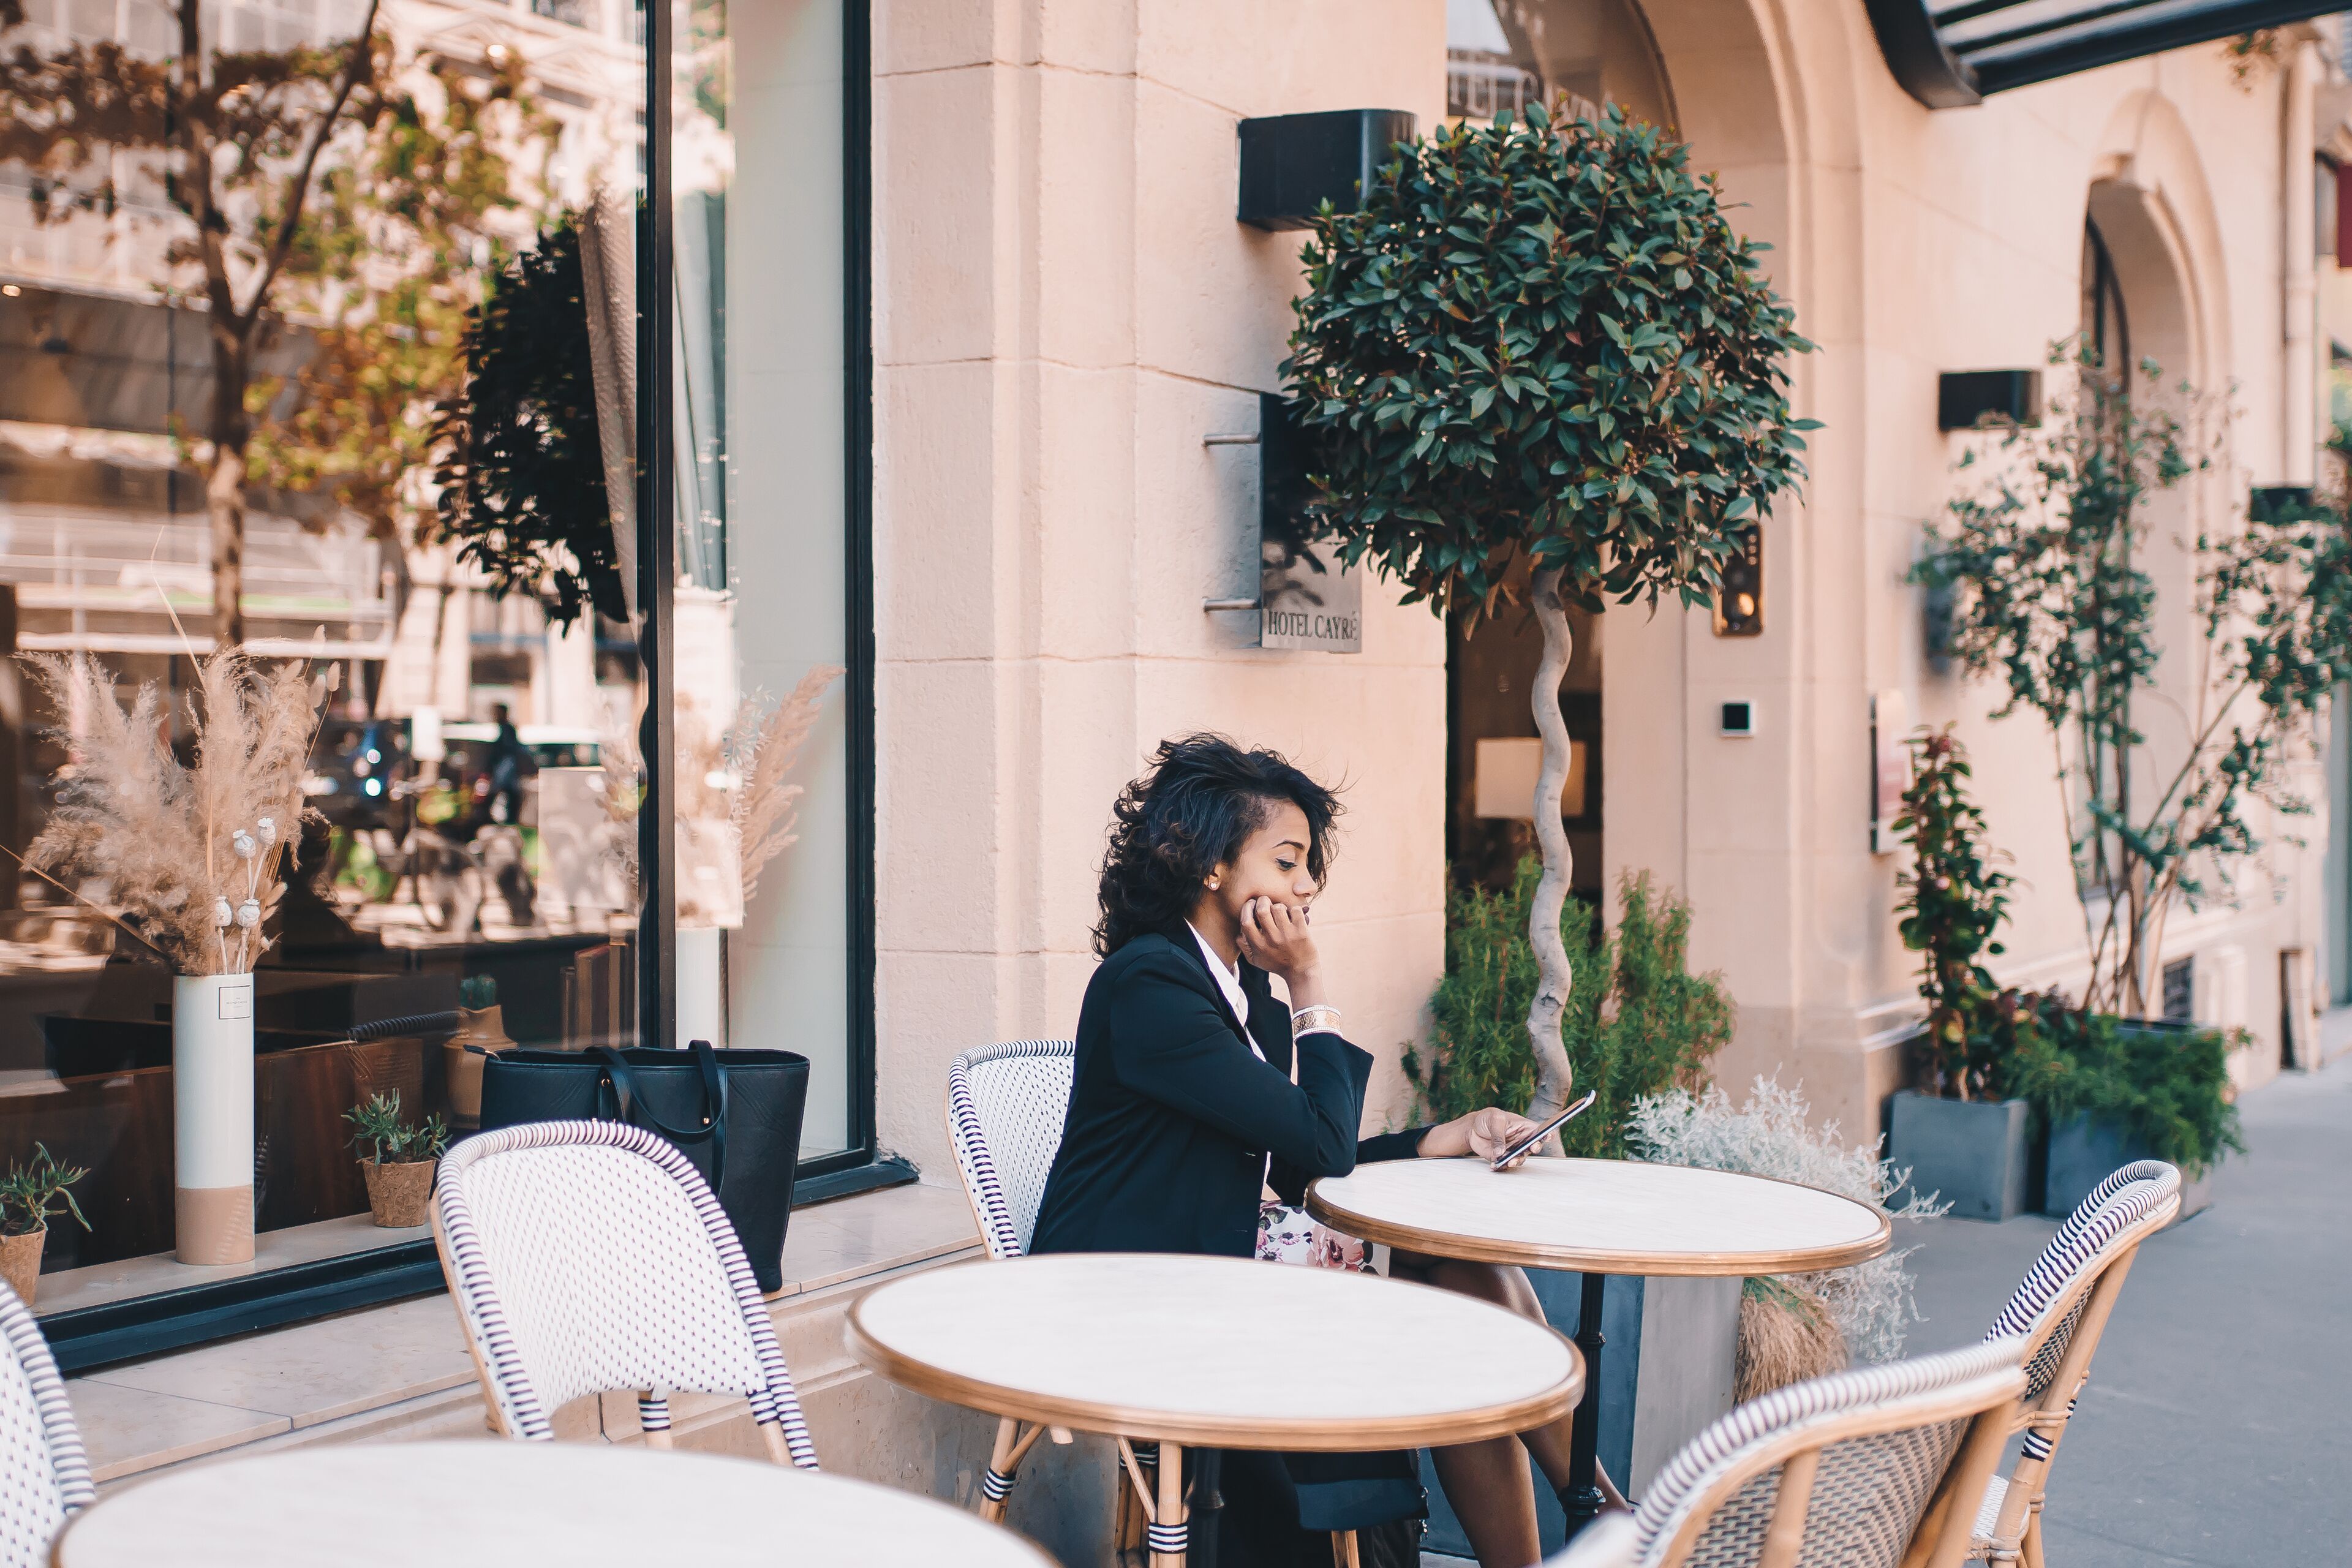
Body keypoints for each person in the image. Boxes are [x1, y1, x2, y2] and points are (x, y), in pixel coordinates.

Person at [1030, 734, 1622, 1568]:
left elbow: (1302, 1165)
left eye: (1310, 865)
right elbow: (1319, 1141)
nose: (1307, 886)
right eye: (1288, 860)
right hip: (1133, 1288)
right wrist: (1311, 982)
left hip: (1220, 1255)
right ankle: (1612, 1525)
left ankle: (1592, 1530)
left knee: (1472, 1281)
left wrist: (1441, 1138)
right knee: (1462, 1299)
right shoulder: (1151, 986)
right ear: (1209, 865)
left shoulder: (1241, 989)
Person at [484, 703, 532, 826]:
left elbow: (509, 752)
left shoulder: (507, 730)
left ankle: (508, 820)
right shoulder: (502, 729)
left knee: (504, 793)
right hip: (506, 767)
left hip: (507, 767)